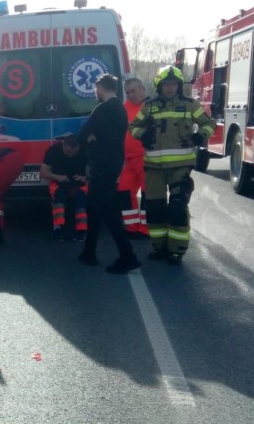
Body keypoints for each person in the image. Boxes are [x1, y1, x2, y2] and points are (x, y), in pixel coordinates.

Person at [129, 65, 214, 265]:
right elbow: (132, 126)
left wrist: (200, 135)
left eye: (174, 84)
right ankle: (159, 247)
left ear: (179, 85)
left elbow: (210, 123)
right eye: (166, 84)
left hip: (180, 167)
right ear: (159, 85)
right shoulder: (149, 106)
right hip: (154, 167)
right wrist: (142, 134)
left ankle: (176, 251)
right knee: (155, 209)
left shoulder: (190, 104)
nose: (170, 88)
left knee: (177, 209)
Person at [76, 73, 142, 274]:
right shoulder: (121, 110)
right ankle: (89, 252)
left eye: (96, 89)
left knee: (107, 212)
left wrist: (90, 138)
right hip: (113, 164)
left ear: (101, 88)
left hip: (102, 167)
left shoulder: (102, 109)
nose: (95, 92)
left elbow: (82, 136)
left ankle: (127, 256)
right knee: (92, 207)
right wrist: (92, 137)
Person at [40, 133, 88, 242]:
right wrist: (57, 177)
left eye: (74, 153)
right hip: (59, 183)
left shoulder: (85, 151)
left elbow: (97, 170)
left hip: (79, 184)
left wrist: (85, 177)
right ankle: (58, 229)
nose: (70, 155)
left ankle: (82, 230)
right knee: (59, 199)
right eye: (68, 152)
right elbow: (43, 172)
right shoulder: (54, 151)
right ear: (64, 145)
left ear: (79, 147)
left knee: (80, 201)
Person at [119, 77, 150, 238]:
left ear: (142, 89)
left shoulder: (151, 106)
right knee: (124, 191)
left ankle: (145, 229)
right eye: (128, 92)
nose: (131, 95)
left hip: (146, 157)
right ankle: (131, 227)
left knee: (147, 194)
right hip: (128, 159)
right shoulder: (125, 107)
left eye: (133, 91)